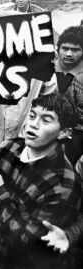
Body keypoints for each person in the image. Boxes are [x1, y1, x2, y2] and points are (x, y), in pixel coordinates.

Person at [0, 93, 82, 269]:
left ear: (64, 132)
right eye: (32, 116)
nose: (34, 124)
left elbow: (32, 244)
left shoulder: (65, 184)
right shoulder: (9, 147)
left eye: (46, 120)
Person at [55, 26, 83, 165]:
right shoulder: (48, 70)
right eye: (65, 48)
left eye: (75, 50)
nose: (69, 53)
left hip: (77, 132)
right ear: (57, 49)